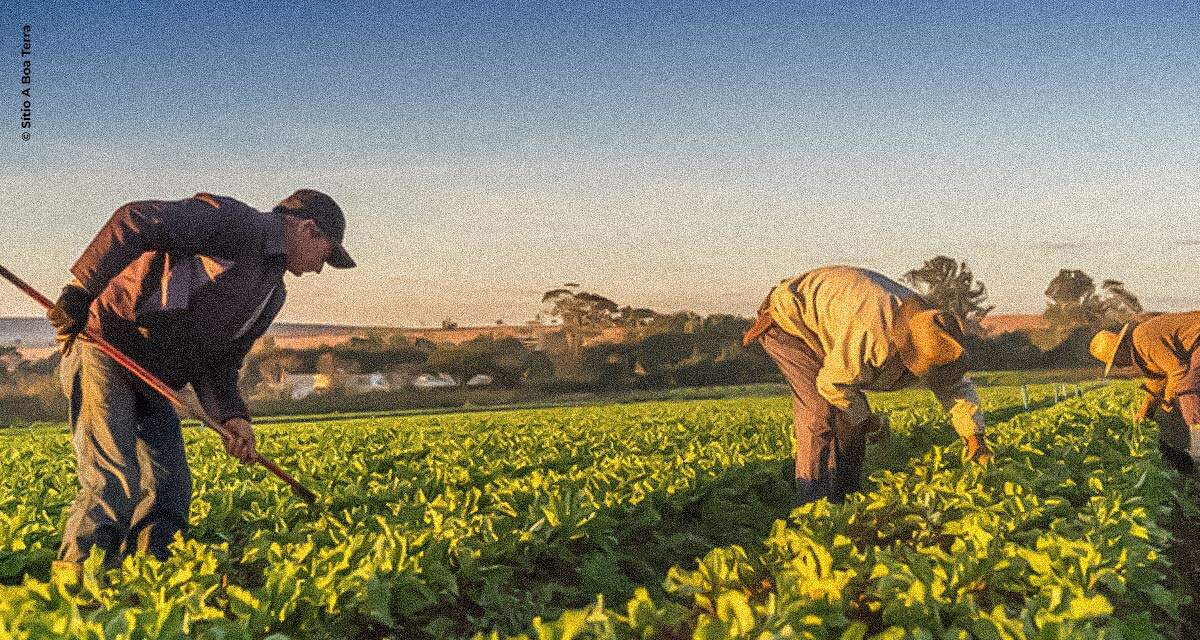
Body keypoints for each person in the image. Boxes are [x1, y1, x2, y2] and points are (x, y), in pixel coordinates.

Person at [45, 189, 355, 579]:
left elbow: (221, 362)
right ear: (309, 229)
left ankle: (150, 579)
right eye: (326, 255)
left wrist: (232, 417)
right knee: (114, 482)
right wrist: (79, 292)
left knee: (169, 489)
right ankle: (76, 585)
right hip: (108, 347)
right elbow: (134, 220)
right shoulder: (235, 223)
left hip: (158, 379)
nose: (320, 268)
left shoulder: (272, 293)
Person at [742, 265, 992, 505]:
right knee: (821, 411)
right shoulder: (873, 336)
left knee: (850, 418)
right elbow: (833, 383)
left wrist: (974, 438)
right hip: (789, 321)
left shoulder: (934, 329)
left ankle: (847, 495)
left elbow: (956, 386)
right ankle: (812, 503)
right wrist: (868, 419)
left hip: (833, 326)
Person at [1090, 313, 1200, 473]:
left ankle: (1197, 454)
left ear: (1121, 347)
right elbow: (1158, 380)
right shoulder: (1140, 349)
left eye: (1115, 360)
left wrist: (1169, 401)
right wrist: (1146, 410)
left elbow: (1177, 371)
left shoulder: (1144, 340)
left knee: (1188, 390)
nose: (1119, 365)